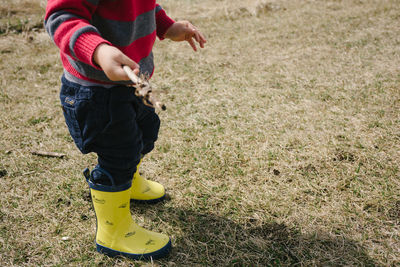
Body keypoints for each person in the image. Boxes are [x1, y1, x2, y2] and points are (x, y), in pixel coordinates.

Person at [44, 0, 206, 260]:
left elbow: (143, 7)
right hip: (95, 90)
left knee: (146, 130)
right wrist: (97, 49)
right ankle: (113, 231)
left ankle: (128, 183)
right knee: (119, 154)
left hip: (133, 82)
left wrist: (167, 26)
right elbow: (62, 16)